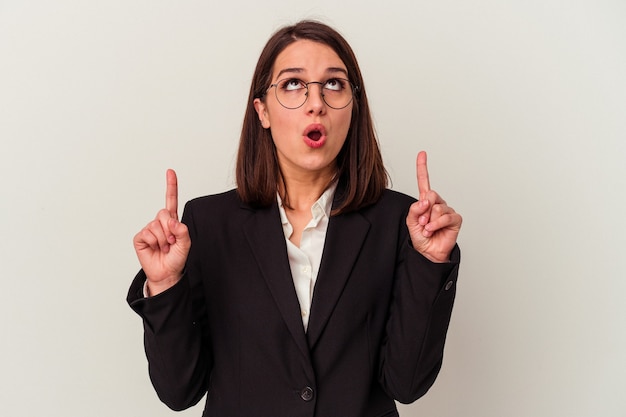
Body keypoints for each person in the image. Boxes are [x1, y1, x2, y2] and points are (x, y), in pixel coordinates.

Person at [127, 20, 462, 417]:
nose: (315, 102)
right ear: (262, 111)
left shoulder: (401, 224)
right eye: (292, 84)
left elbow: (406, 384)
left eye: (333, 84)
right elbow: (178, 391)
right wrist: (164, 283)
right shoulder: (207, 223)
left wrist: (430, 263)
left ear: (353, 107)